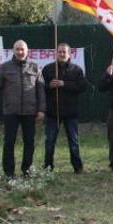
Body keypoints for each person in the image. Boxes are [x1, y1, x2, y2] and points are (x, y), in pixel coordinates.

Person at [0, 39, 45, 180]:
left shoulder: (35, 67)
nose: (20, 52)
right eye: (17, 49)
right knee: (9, 142)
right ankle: (9, 172)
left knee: (29, 142)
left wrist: (41, 110)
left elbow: (41, 90)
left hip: (30, 111)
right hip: (11, 111)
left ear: (27, 51)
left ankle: (27, 170)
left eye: (22, 49)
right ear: (13, 51)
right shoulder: (5, 67)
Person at [42, 43, 87, 174]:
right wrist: (49, 85)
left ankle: (78, 167)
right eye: (60, 52)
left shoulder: (76, 70)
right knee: (49, 141)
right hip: (52, 112)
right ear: (56, 53)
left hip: (70, 112)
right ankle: (48, 167)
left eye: (64, 52)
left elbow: (82, 86)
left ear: (69, 54)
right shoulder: (48, 69)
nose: (62, 54)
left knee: (73, 142)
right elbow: (40, 87)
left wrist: (64, 84)